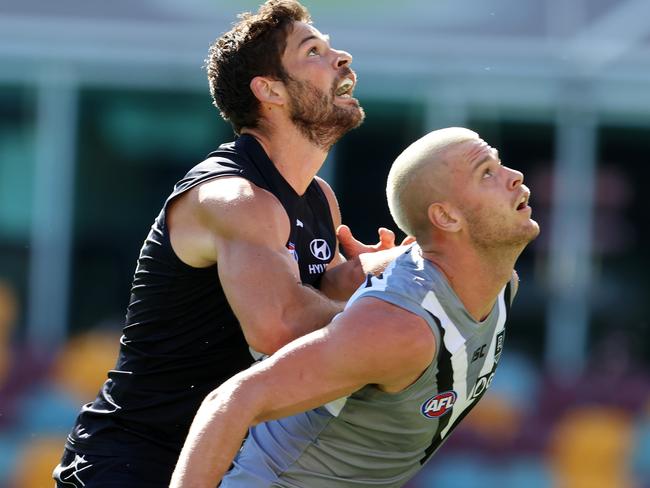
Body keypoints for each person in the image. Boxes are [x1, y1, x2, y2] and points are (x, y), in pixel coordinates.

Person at [53, 1, 406, 487]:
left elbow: (315, 298)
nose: (341, 56)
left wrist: (360, 277)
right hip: (131, 462)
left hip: (222, 464)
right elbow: (278, 326)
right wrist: (405, 296)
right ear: (270, 91)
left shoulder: (319, 198)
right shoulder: (234, 198)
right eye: (313, 51)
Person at [170, 127, 541, 488]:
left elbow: (391, 269)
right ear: (446, 217)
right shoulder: (401, 329)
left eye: (500, 164)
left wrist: (354, 275)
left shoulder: (497, 284)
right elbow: (233, 400)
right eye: (487, 173)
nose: (514, 176)